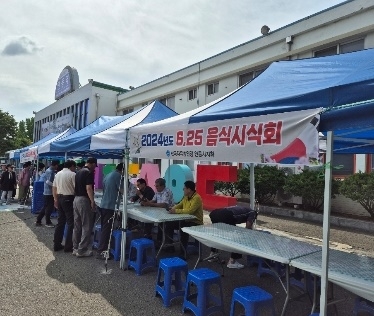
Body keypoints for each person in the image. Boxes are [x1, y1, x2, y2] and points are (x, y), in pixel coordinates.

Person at [167, 180, 203, 259]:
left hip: (195, 221)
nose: (183, 190)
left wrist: (175, 211)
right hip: (186, 219)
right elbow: (180, 205)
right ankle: (170, 246)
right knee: (169, 224)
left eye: (184, 188)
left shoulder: (197, 198)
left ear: (189, 189)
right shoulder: (186, 197)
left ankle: (183, 253)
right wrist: (172, 209)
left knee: (183, 229)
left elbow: (190, 211)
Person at [96, 163, 124, 260]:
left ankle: (102, 248)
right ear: (123, 170)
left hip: (104, 204)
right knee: (107, 229)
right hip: (110, 206)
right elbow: (122, 190)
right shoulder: (118, 176)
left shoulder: (108, 175)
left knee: (105, 228)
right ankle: (102, 251)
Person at [72, 157, 97, 257]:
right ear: (92, 163)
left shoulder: (78, 171)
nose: (95, 168)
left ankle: (75, 248)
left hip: (76, 199)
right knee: (87, 225)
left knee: (77, 225)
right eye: (95, 165)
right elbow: (89, 188)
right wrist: (92, 201)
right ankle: (82, 250)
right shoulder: (88, 172)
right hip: (83, 200)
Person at [52, 160, 76, 252]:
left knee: (60, 222)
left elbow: (54, 187)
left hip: (60, 198)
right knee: (70, 223)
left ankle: (57, 244)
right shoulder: (72, 174)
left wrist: (55, 199)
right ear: (72, 166)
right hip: (69, 198)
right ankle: (68, 246)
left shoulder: (58, 174)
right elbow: (75, 188)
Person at [35, 160, 59, 227]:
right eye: (57, 165)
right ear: (56, 165)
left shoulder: (48, 170)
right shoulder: (51, 172)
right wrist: (54, 187)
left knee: (45, 207)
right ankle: (48, 222)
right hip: (49, 193)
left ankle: (38, 220)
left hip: (46, 192)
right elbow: (48, 182)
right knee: (49, 208)